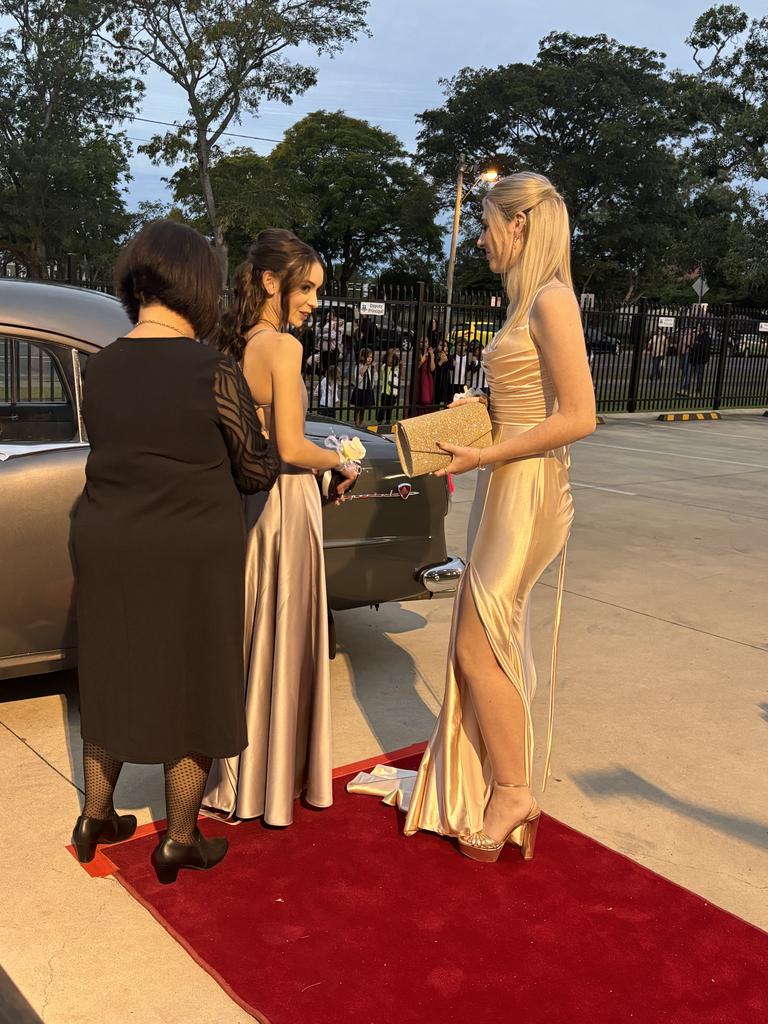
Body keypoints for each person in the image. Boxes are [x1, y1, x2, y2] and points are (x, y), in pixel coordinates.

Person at [350, 172, 595, 863]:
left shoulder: (551, 300)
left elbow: (580, 417)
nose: (480, 237)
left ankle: (513, 790)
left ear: (519, 224)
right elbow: (524, 401)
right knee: (474, 642)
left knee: (476, 645)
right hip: (504, 479)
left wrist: (486, 454)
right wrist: (475, 421)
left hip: (529, 489)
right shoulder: (526, 303)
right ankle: (492, 778)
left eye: (486, 222)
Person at [70, 220, 281, 884]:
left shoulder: (98, 367)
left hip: (106, 542)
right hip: (190, 549)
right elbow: (254, 470)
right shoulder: (212, 369)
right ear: (198, 285)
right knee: (193, 684)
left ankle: (95, 816)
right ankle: (181, 837)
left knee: (110, 675)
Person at [204, 229, 360, 825]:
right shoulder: (282, 348)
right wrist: (340, 460)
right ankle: (267, 785)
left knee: (255, 637)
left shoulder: (238, 341)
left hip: (249, 507)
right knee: (283, 631)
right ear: (272, 282)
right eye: (309, 288)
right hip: (285, 506)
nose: (316, 300)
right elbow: (292, 445)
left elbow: (266, 437)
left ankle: (242, 779)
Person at [351, 347, 377, 427]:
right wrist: (363, 372)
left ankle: (361, 421)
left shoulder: (371, 368)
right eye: (368, 357)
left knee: (363, 407)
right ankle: (356, 421)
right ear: (362, 357)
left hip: (367, 389)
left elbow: (376, 378)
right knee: (358, 407)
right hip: (360, 389)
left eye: (371, 357)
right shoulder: (358, 367)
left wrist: (374, 370)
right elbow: (357, 380)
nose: (370, 359)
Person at [376, 347, 400, 425]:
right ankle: (379, 421)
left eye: (394, 360)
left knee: (390, 408)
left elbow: (401, 375)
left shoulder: (396, 368)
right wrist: (391, 353)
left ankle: (388, 421)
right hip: (385, 392)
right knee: (383, 407)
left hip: (393, 392)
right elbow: (388, 361)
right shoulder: (385, 367)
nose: (392, 361)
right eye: (391, 359)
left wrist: (400, 364)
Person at [689, 325, 712, 396]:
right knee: (689, 374)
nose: (698, 329)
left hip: (701, 360)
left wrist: (705, 359)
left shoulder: (706, 338)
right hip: (694, 359)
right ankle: (686, 389)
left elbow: (706, 350)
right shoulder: (698, 336)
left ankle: (698, 391)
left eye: (699, 328)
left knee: (699, 376)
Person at [415, 337, 436, 413]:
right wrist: (422, 360)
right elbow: (416, 368)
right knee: (418, 397)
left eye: (426, 342)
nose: (424, 344)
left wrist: (432, 357)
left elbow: (432, 369)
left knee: (426, 398)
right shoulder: (417, 353)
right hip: (418, 377)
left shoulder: (430, 354)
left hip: (427, 378)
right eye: (421, 342)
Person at [433, 340, 453, 407]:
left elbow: (451, 367)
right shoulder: (434, 356)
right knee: (436, 400)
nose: (442, 347)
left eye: (444, 346)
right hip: (436, 380)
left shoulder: (449, 356)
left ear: (447, 348)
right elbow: (434, 370)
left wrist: (446, 361)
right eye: (441, 345)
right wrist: (441, 361)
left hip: (445, 380)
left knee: (446, 400)